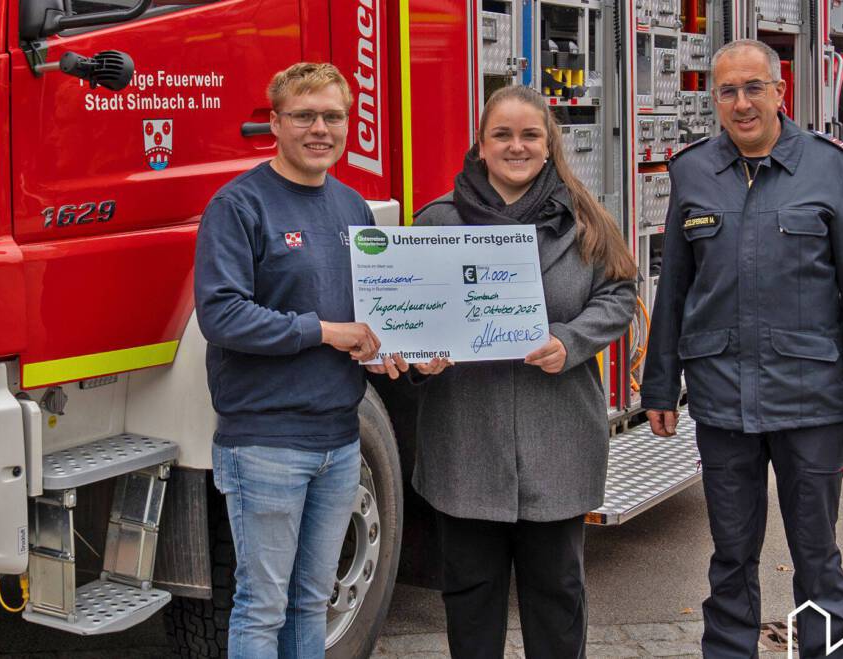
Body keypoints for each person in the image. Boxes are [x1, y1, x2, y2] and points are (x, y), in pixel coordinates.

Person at [640, 39, 843, 659]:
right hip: (722, 397)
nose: (741, 103)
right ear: (715, 99)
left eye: (754, 87)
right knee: (731, 552)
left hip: (811, 398)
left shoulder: (829, 168)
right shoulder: (692, 171)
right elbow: (672, 286)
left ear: (781, 91)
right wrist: (658, 385)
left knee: (817, 552)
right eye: (727, 91)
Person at [399, 84, 637, 658]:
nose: (516, 146)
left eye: (530, 134)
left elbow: (620, 293)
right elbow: (405, 324)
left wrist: (571, 339)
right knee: (471, 599)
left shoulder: (586, 220)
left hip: (558, 443)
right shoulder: (438, 223)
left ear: (549, 144)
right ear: (480, 146)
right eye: (502, 134)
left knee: (557, 595)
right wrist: (419, 360)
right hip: (465, 445)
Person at [194, 62, 392, 658]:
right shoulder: (239, 206)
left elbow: (370, 317)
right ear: (274, 123)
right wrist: (324, 332)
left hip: (339, 441)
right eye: (304, 116)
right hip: (265, 443)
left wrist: (396, 353)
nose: (320, 129)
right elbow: (222, 316)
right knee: (262, 605)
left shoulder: (353, 208)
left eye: (333, 116)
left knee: (312, 600)